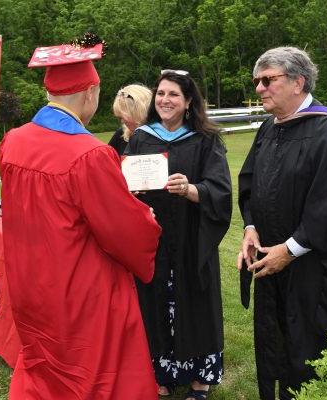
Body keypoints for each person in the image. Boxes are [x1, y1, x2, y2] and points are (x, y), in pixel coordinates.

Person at [0, 38, 162, 399]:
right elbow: (123, 232)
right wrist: (145, 215)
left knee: (44, 367)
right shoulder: (89, 154)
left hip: (31, 284)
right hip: (80, 289)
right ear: (90, 92)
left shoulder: (13, 141)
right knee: (90, 374)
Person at [237, 46, 327, 399]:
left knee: (314, 350)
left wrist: (291, 249)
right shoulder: (269, 128)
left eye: (268, 80)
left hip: (317, 268)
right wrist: (249, 228)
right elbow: (250, 183)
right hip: (273, 262)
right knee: (277, 343)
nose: (259, 88)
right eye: (257, 81)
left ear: (298, 82)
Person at [125, 70, 232, 400]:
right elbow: (125, 186)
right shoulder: (142, 137)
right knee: (155, 302)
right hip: (155, 240)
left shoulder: (205, 139)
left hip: (191, 239)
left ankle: (201, 378)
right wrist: (135, 205)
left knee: (195, 302)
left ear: (188, 102)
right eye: (160, 94)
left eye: (173, 94)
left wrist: (191, 189)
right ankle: (163, 373)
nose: (165, 100)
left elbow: (221, 191)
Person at [109, 84, 152, 154]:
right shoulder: (121, 135)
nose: (122, 121)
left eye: (125, 115)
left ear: (140, 110)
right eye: (120, 117)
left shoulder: (163, 136)